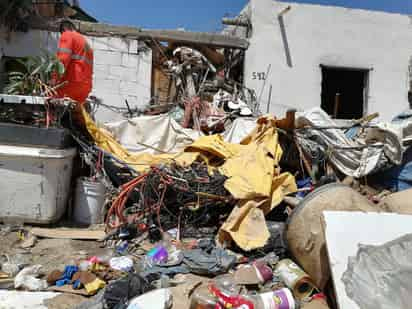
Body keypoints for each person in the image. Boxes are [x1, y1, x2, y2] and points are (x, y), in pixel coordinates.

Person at [54, 19, 93, 106]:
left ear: (64, 29)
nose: (62, 35)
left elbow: (62, 60)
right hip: (85, 87)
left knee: (52, 108)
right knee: (73, 116)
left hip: (70, 82)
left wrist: (54, 79)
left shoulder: (67, 34)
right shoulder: (86, 43)